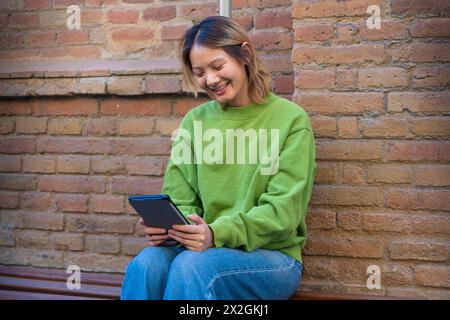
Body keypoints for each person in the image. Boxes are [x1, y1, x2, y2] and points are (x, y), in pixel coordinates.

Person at [121, 15, 316, 300]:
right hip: (201, 249)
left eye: (218, 66)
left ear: (245, 55)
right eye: (199, 72)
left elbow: (283, 213)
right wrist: (172, 229)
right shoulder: (194, 121)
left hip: (272, 257)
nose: (210, 80)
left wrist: (216, 233)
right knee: (147, 265)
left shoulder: (290, 119)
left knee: (194, 267)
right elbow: (180, 197)